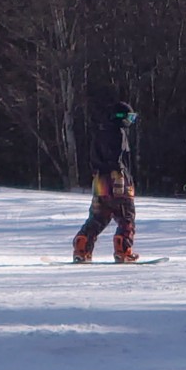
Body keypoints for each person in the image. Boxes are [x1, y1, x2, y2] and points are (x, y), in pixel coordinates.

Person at [73, 101, 141, 262]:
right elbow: (118, 158)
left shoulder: (99, 132)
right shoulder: (119, 133)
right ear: (121, 117)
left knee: (98, 217)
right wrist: (120, 177)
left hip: (99, 180)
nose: (131, 121)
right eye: (129, 117)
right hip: (117, 179)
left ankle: (82, 247)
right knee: (126, 217)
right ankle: (123, 249)